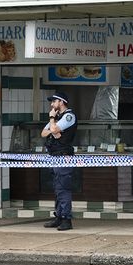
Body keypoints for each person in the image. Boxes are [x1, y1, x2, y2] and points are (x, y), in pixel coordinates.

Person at [41, 92, 77, 231]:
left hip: (64, 156)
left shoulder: (69, 116)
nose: (52, 104)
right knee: (57, 188)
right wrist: (54, 130)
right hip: (55, 157)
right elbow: (44, 133)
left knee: (63, 188)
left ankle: (66, 219)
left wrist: (52, 120)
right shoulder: (58, 118)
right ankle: (59, 217)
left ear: (61, 102)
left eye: (54, 101)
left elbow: (54, 130)